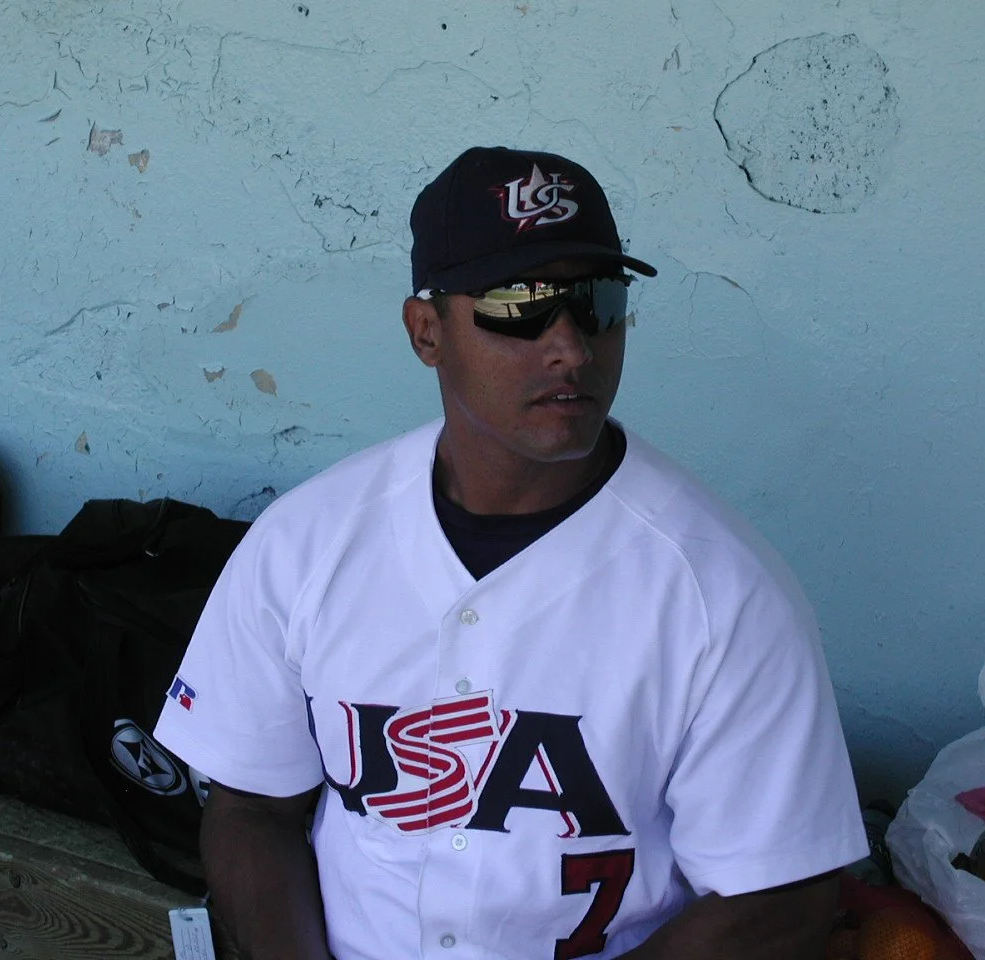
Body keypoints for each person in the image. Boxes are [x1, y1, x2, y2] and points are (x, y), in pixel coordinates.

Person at [154, 146, 868, 960]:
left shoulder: (724, 591)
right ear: (428, 332)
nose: (570, 346)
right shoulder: (306, 541)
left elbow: (778, 894)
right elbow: (252, 807)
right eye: (519, 303)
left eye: (595, 301)